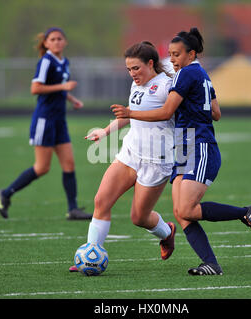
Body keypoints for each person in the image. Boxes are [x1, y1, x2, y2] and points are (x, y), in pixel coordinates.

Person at [112, 27, 251, 276]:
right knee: (182, 214)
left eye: (176, 54)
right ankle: (211, 264)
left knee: (188, 209)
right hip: (184, 146)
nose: (171, 59)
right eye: (170, 54)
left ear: (191, 53)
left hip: (198, 145)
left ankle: (245, 212)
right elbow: (216, 113)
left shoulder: (185, 74)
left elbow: (166, 112)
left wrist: (130, 113)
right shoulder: (202, 74)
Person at [70, 41, 176, 272]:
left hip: (156, 161)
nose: (132, 74)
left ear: (151, 63)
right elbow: (130, 115)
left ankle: (167, 232)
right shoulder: (135, 85)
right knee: (101, 201)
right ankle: (91, 254)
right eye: (129, 69)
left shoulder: (168, 86)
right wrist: (105, 131)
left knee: (139, 218)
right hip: (130, 153)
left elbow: (168, 115)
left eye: (136, 68)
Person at [0, 27, 92, 221]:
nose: (56, 42)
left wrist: (71, 99)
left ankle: (72, 209)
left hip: (59, 120)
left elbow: (58, 89)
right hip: (44, 120)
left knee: (69, 164)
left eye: (59, 39)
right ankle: (5, 194)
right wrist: (64, 87)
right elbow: (35, 88)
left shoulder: (65, 62)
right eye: (52, 39)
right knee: (42, 167)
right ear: (46, 43)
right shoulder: (46, 61)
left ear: (65, 42)